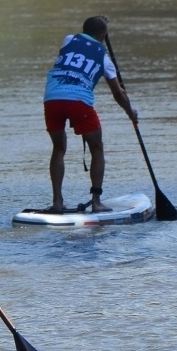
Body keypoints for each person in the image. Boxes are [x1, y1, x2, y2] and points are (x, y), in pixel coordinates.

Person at [42, 15, 136, 214]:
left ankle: (57, 202)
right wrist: (131, 113)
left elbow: (82, 45)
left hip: (52, 97)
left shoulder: (69, 39)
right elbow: (118, 94)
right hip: (78, 101)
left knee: (59, 148)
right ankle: (96, 202)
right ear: (103, 35)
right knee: (96, 148)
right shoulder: (104, 58)